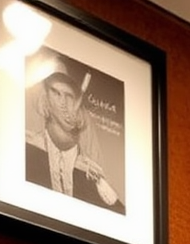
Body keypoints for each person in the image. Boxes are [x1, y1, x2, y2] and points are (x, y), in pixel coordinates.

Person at [25, 64, 124, 211]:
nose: (64, 103)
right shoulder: (29, 150)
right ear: (46, 99)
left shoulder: (90, 175)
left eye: (69, 96)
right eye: (57, 94)